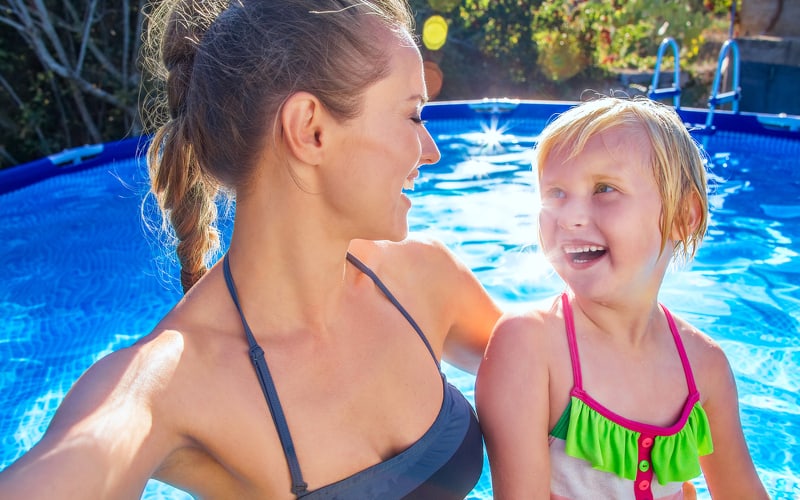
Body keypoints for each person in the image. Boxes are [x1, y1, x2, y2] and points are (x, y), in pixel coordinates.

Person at [0, 0, 501, 498]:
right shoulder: (166, 386)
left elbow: (560, 375)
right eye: (413, 116)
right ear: (311, 130)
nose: (431, 150)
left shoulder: (427, 279)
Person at [475, 96, 768, 499]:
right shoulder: (531, 346)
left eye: (604, 189)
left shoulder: (704, 367)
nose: (570, 216)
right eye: (555, 193)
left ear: (685, 217)